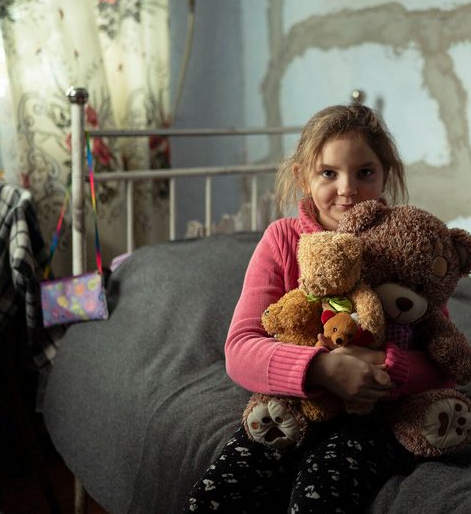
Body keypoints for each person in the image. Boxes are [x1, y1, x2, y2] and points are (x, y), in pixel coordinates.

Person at [184, 102, 455, 513]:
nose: (347, 188)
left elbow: (445, 361)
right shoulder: (281, 240)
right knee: (216, 497)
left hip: (378, 418)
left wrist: (383, 365)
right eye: (328, 172)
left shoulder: (407, 248)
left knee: (320, 497)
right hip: (293, 411)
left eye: (364, 172)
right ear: (302, 177)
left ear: (386, 175)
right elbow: (240, 349)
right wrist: (322, 369)